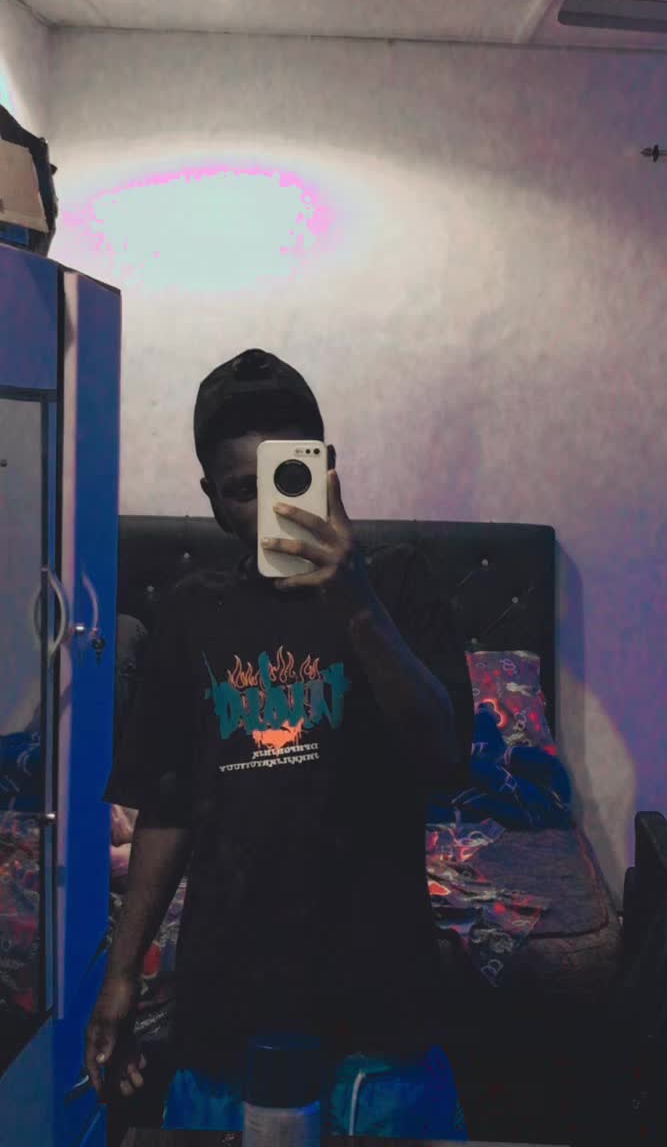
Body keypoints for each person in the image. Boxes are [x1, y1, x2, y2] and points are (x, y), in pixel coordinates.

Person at [85, 347, 475, 1137]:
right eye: (241, 490)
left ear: (324, 472)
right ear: (214, 502)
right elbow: (167, 806)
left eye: (285, 479)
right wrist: (120, 975)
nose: (268, 509)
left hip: (380, 1019)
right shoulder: (191, 613)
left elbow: (445, 755)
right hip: (224, 1016)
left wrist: (355, 602)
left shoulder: (397, 585)